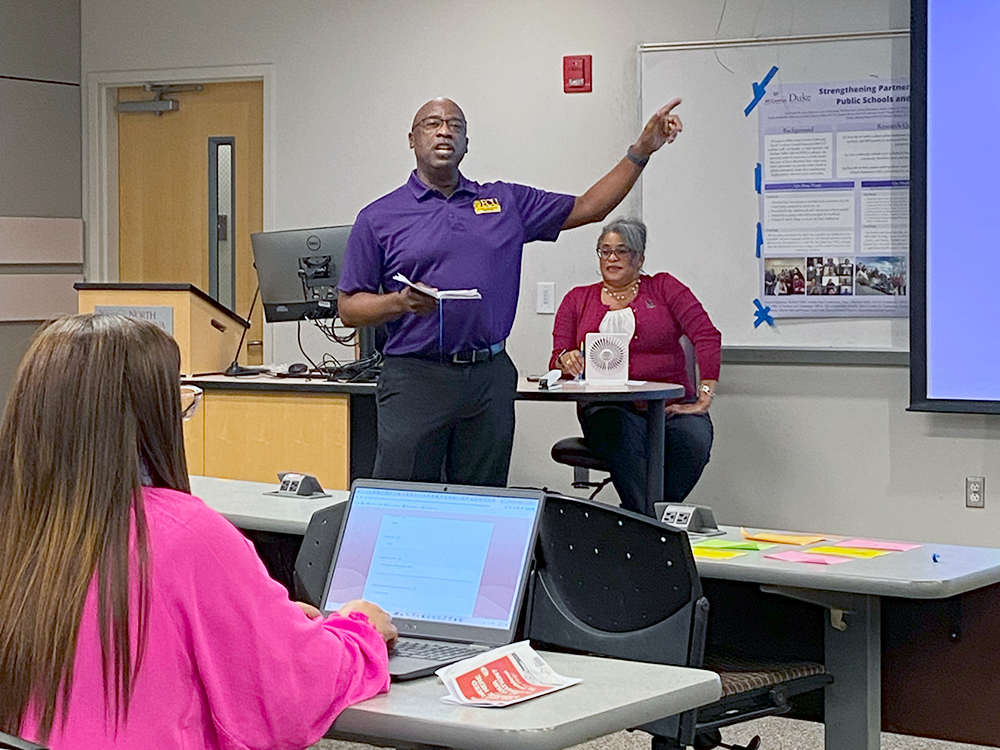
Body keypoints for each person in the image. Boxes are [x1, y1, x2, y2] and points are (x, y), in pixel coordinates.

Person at [0, 314, 397, 750]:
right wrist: (360, 629)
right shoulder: (187, 535)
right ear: (152, 420)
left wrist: (267, 622)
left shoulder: (19, 525)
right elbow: (291, 695)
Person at [337, 96, 683, 487]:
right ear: (412, 139)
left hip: (489, 378)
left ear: (467, 144)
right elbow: (349, 308)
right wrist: (399, 303)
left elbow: (590, 206)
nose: (445, 130)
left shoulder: (505, 202)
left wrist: (641, 152)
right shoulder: (379, 217)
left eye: (456, 125)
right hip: (416, 377)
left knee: (483, 502)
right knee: (404, 499)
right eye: (432, 123)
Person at [549, 218, 721, 517]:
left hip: (671, 406)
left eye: (622, 251)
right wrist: (567, 359)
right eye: (605, 251)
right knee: (623, 438)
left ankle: (639, 520)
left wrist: (705, 393)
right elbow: (557, 359)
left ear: (640, 258)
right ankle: (654, 524)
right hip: (608, 408)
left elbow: (706, 335)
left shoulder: (666, 288)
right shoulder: (577, 299)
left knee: (692, 442)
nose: (612, 258)